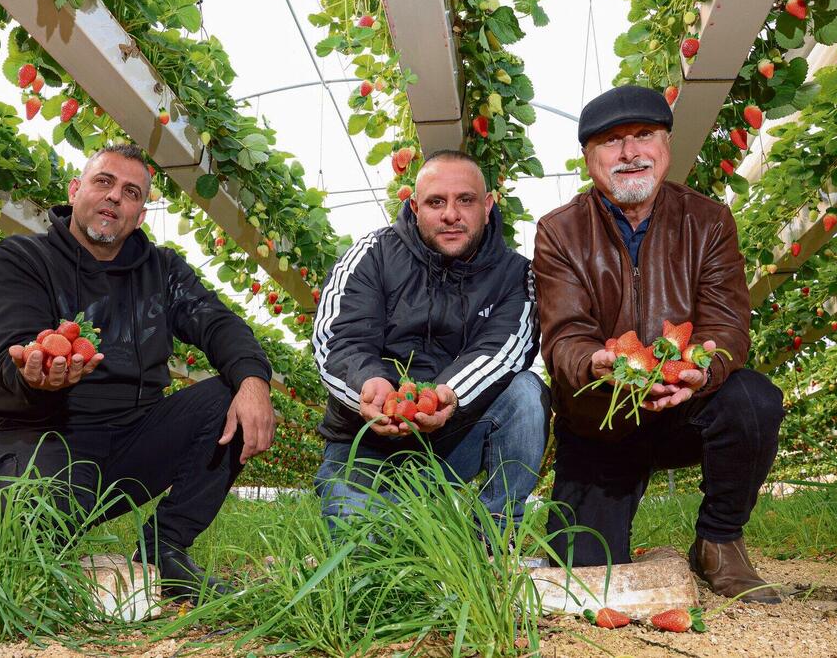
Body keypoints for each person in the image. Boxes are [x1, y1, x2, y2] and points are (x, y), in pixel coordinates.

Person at [0, 144, 275, 600]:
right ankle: (28, 521)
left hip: (132, 442)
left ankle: (164, 550)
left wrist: (254, 381)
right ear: (75, 191)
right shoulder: (21, 259)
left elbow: (217, 322)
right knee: (19, 556)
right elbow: (14, 348)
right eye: (103, 182)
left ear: (140, 215)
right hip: (41, 433)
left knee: (232, 392)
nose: (114, 197)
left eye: (131, 192)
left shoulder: (163, 271)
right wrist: (38, 376)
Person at [532, 85, 785, 603]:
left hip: (684, 410)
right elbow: (563, 335)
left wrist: (699, 370)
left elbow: (727, 325)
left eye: (643, 135)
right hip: (602, 422)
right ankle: (599, 520)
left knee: (754, 400)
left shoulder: (708, 221)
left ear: (665, 144)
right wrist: (595, 363)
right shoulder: (559, 232)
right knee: (585, 579)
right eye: (610, 141)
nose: (629, 152)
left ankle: (719, 540)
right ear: (589, 158)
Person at [312, 149, 550, 535]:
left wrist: (447, 396)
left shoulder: (514, 275)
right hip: (366, 442)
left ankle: (493, 534)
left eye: (465, 200)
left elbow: (503, 352)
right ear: (414, 205)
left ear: (487, 205)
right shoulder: (372, 254)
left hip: (450, 439)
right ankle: (387, 519)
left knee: (526, 392)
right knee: (362, 554)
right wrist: (368, 388)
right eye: (436, 201)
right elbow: (337, 339)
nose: (451, 214)